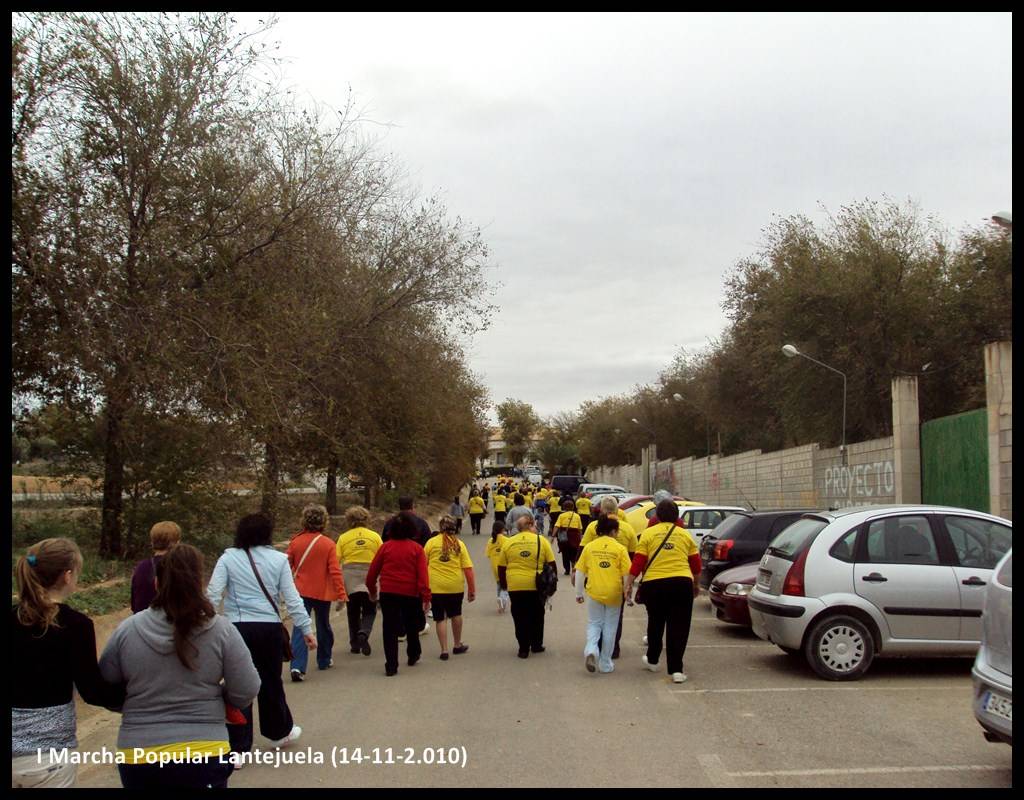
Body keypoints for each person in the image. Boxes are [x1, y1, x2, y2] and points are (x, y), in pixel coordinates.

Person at [100, 544, 261, 788]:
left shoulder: (128, 630)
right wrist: (222, 700)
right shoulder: (221, 630)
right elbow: (247, 688)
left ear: (156, 584)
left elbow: (105, 686)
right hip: (204, 750)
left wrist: (133, 705)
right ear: (199, 584)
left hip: (140, 752)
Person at [12, 538, 126, 788]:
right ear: (67, 575)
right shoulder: (75, 625)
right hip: (47, 758)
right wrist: (138, 694)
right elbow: (93, 691)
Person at [207, 513, 314, 754]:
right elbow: (293, 598)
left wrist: (206, 624)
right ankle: (277, 733)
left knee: (236, 684)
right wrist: (306, 629)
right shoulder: (278, 560)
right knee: (270, 680)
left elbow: (213, 594)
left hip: (236, 627)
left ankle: (237, 746)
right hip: (268, 628)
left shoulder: (228, 558)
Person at [624, 499, 702, 684]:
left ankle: (652, 660)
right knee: (679, 626)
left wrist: (628, 584)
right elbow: (696, 565)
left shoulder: (648, 534)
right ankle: (676, 670)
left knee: (656, 622)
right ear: (677, 516)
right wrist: (696, 585)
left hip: (654, 584)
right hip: (681, 583)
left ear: (657, 516)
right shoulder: (685, 535)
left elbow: (638, 562)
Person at [365, 512, 432, 676]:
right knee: (412, 624)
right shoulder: (417, 549)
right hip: (411, 592)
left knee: (389, 628)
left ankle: (391, 665)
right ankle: (413, 653)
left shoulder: (385, 547)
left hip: (388, 592)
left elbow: (372, 573)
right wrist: (426, 597)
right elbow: (423, 576)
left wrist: (373, 591)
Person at [286, 505, 348, 681]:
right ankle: (324, 659)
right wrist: (341, 594)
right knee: (323, 625)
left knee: (300, 627)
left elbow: (285, 566)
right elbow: (335, 571)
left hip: (300, 591)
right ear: (324, 521)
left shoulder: (295, 542)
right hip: (322, 592)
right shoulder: (328, 544)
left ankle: (297, 666)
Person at [579, 496, 639, 659]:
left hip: (594, 577)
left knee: (596, 618)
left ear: (602, 510)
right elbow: (633, 555)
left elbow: (583, 549)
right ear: (618, 509)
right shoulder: (627, 528)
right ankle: (613, 649)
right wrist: (630, 583)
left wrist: (576, 572)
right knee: (615, 617)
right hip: (618, 580)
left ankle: (596, 646)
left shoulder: (593, 527)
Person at [574, 516, 632, 674]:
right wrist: (627, 592)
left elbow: (580, 572)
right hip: (614, 593)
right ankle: (605, 663)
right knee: (610, 627)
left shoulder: (590, 547)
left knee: (594, 623)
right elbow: (627, 574)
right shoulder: (620, 549)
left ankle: (591, 650)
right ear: (613, 531)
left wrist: (579, 593)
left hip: (594, 592)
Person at [498, 514, 557, 658]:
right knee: (537, 614)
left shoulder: (509, 542)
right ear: (531, 525)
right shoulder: (541, 541)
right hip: (536, 584)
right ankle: (536, 644)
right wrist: (551, 583)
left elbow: (501, 567)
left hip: (515, 584)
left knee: (519, 615)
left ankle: (523, 648)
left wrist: (504, 585)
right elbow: (552, 564)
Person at [423, 516, 476, 660]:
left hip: (436, 586)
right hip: (455, 586)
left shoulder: (431, 543)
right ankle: (457, 645)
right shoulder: (459, 544)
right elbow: (468, 569)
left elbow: (422, 565)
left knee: (440, 618)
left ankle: (444, 650)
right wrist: (472, 590)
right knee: (456, 614)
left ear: (441, 528)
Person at [335, 505, 382, 657]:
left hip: (350, 575)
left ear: (349, 520)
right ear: (367, 519)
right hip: (369, 574)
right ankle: (364, 632)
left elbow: (337, 560)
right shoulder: (374, 536)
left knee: (352, 610)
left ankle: (354, 643)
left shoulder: (343, 537)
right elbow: (381, 556)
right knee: (370, 609)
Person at [130, 521, 182, 613]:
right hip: (172, 623)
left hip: (142, 622)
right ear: (177, 542)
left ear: (152, 541)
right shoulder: (181, 566)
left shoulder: (141, 567)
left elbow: (134, 603)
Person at [552, 497, 584, 576]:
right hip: (575, 536)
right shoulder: (577, 516)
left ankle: (567, 569)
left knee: (565, 553)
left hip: (564, 537)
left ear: (564, 507)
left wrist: (553, 536)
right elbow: (580, 529)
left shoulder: (561, 516)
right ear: (573, 507)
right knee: (574, 552)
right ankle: (573, 565)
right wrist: (580, 538)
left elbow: (557, 526)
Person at [485, 520, 510, 613]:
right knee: (506, 585)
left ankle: (500, 605)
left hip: (495, 566)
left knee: (499, 584)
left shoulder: (490, 541)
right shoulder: (507, 540)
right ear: (503, 529)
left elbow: (488, 554)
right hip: (504, 567)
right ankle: (502, 599)